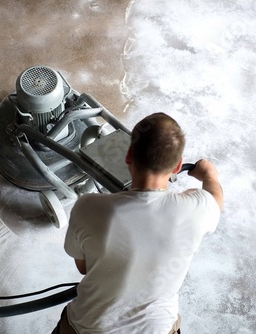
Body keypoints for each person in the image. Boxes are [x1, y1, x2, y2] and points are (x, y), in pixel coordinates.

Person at [52, 112, 223, 334]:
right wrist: (209, 174)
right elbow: (215, 199)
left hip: (87, 328)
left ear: (129, 155)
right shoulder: (195, 210)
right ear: (178, 165)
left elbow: (84, 267)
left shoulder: (88, 207)